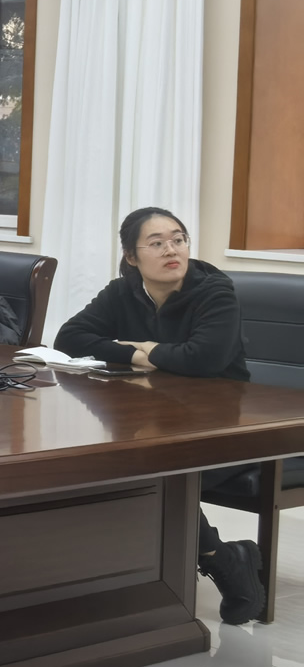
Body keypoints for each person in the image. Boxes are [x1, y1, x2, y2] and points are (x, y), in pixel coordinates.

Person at [52, 207, 263, 623]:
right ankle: (219, 556)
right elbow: (69, 337)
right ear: (132, 257)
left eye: (178, 239)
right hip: (154, 416)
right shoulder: (123, 291)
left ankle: (218, 565)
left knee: (148, 472)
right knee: (106, 466)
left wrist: (145, 349)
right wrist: (138, 354)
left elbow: (204, 360)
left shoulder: (215, 292)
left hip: (223, 424)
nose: (172, 250)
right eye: (157, 243)